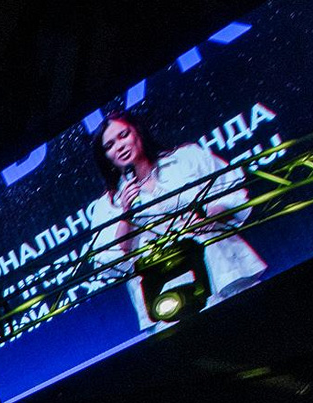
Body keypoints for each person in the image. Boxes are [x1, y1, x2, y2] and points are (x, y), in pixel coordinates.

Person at [86, 108, 267, 331]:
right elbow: (108, 265)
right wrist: (126, 215)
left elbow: (233, 191)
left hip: (226, 273)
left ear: (138, 133)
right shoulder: (107, 206)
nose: (119, 146)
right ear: (107, 158)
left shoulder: (186, 158)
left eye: (124, 135)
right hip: (170, 303)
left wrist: (208, 216)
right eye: (109, 146)